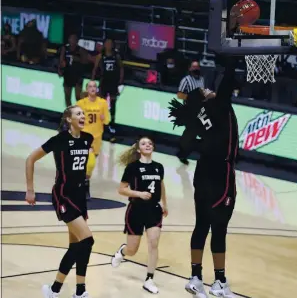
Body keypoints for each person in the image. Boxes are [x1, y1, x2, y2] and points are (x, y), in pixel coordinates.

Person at [168, 55, 239, 298]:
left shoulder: (198, 118)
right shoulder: (218, 107)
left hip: (202, 173)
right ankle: (219, 281)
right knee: (219, 229)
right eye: (206, 90)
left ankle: (196, 278)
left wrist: (199, 145)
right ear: (205, 98)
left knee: (202, 225)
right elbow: (228, 82)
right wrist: (231, 60)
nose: (209, 89)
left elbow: (184, 146)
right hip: (221, 174)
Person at [25, 105, 95, 298]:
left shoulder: (88, 139)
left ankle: (73, 291)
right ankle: (59, 289)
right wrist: (30, 189)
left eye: (83, 113)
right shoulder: (59, 140)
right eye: (78, 114)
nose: (82, 116)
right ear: (69, 119)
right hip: (63, 195)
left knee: (78, 245)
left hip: (80, 197)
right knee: (88, 240)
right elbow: (30, 159)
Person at [111, 137, 168, 294]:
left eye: (150, 143)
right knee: (132, 250)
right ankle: (122, 251)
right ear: (138, 149)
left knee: (153, 243)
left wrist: (164, 203)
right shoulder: (132, 167)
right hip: (136, 210)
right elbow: (122, 189)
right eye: (143, 144)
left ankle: (149, 279)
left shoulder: (159, 167)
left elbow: (161, 185)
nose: (148, 145)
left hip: (154, 210)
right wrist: (139, 194)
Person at [76, 80, 110, 200]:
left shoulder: (103, 103)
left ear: (97, 89)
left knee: (89, 165)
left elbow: (107, 120)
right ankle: (84, 188)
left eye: (94, 86)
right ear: (86, 89)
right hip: (84, 137)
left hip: (97, 138)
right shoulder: (80, 103)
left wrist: (103, 118)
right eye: (90, 86)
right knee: (88, 162)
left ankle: (83, 183)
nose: (92, 88)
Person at [92, 38, 124, 141]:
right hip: (104, 82)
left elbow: (121, 68)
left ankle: (112, 125)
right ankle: (101, 126)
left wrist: (120, 81)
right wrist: (92, 82)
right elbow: (95, 69)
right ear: (104, 45)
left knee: (113, 104)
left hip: (113, 82)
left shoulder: (116, 56)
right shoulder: (100, 56)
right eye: (107, 43)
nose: (109, 45)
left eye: (110, 43)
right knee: (102, 105)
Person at [176, 60, 206, 164]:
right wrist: (191, 97)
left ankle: (183, 152)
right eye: (193, 67)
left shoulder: (202, 79)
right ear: (189, 69)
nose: (196, 69)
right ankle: (182, 153)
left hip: (200, 110)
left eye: (197, 67)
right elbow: (179, 94)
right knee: (191, 133)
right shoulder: (186, 80)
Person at [59, 34, 90, 107]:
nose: (72, 41)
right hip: (67, 74)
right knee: (67, 97)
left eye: (74, 39)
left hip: (77, 75)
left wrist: (79, 59)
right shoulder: (65, 48)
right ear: (69, 39)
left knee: (78, 98)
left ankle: (79, 113)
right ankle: (70, 113)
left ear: (77, 41)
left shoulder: (81, 50)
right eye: (71, 38)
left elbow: (86, 61)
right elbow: (61, 60)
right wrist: (60, 69)